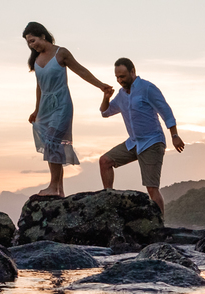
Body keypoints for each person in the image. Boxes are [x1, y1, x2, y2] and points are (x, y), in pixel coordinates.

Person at [23, 22, 113, 197]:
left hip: (61, 104)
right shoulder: (36, 59)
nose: (31, 45)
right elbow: (39, 87)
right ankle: (60, 191)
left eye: (33, 40)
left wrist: (101, 86)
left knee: (52, 140)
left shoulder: (61, 53)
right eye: (28, 43)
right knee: (53, 144)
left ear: (42, 36)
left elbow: (81, 71)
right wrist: (36, 110)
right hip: (45, 107)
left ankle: (53, 186)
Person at [98, 58, 185, 217]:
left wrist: (175, 135)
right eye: (117, 77)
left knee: (151, 188)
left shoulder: (147, 88)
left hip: (152, 142)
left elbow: (165, 110)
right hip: (133, 142)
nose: (120, 80)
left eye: (123, 76)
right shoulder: (122, 94)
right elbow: (105, 112)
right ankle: (108, 200)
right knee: (105, 161)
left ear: (133, 72)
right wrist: (106, 97)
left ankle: (159, 225)